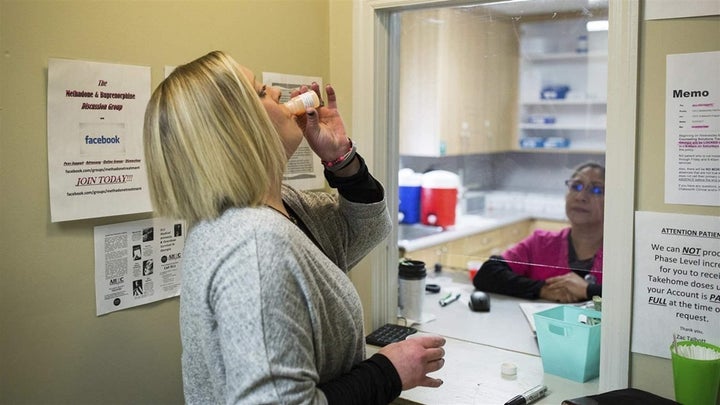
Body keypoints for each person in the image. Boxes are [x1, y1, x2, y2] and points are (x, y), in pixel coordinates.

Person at [143, 51, 445, 404]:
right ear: (235, 130)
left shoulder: (276, 204)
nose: (273, 91)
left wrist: (341, 159)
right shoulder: (253, 246)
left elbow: (364, 229)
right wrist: (388, 372)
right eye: (259, 92)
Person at [473, 162, 605, 303]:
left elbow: (629, 297)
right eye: (576, 186)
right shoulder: (541, 243)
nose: (580, 197)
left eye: (596, 190)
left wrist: (587, 290)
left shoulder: (622, 256)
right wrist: (541, 289)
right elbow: (487, 274)